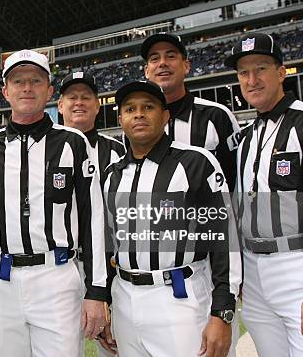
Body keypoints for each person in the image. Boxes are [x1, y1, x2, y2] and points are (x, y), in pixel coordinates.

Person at [0, 49, 109, 356]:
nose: (27, 87)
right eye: (18, 81)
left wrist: (96, 290)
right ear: (5, 91)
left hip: (57, 275)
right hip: (0, 279)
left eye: (36, 80)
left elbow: (92, 217)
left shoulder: (73, 143)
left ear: (49, 91)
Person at [225, 32, 303, 356]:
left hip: (298, 266)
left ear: (281, 72)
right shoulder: (247, 137)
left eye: (261, 68)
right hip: (254, 273)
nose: (251, 79)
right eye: (243, 72)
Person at [101, 80, 241, 357]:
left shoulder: (195, 162)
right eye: (130, 109)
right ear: (121, 119)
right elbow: (110, 244)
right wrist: (106, 299)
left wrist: (222, 309)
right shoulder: (112, 174)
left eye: (148, 107)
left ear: (165, 116)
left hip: (180, 297)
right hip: (125, 299)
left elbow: (224, 236)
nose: (139, 114)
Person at [58, 71, 125, 356]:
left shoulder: (119, 152)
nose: (79, 103)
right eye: (72, 97)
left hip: (109, 265)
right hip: (60, 268)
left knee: (114, 347)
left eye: (86, 97)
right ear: (59, 104)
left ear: (98, 105)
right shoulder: (45, 149)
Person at [141, 33, 241, 190]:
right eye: (155, 58)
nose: (162, 63)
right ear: (147, 71)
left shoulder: (217, 116)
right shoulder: (138, 125)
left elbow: (237, 179)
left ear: (186, 66)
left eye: (171, 56)